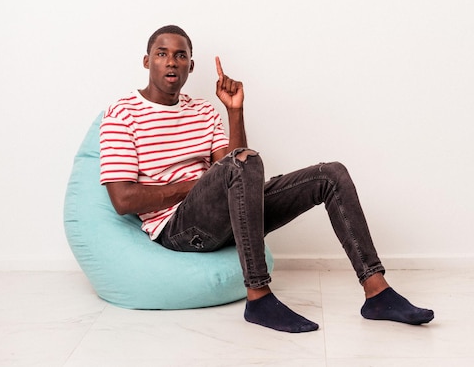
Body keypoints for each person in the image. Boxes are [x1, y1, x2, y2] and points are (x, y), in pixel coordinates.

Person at [99, 24, 434, 333]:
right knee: (246, 161)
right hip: (179, 229)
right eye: (162, 54)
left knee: (331, 174)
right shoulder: (122, 114)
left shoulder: (201, 110)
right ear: (146, 61)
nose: (171, 62)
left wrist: (234, 111)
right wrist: (199, 186)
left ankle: (377, 293)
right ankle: (258, 296)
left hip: (224, 215)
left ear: (191, 65)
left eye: (180, 55)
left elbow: (233, 164)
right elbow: (123, 200)